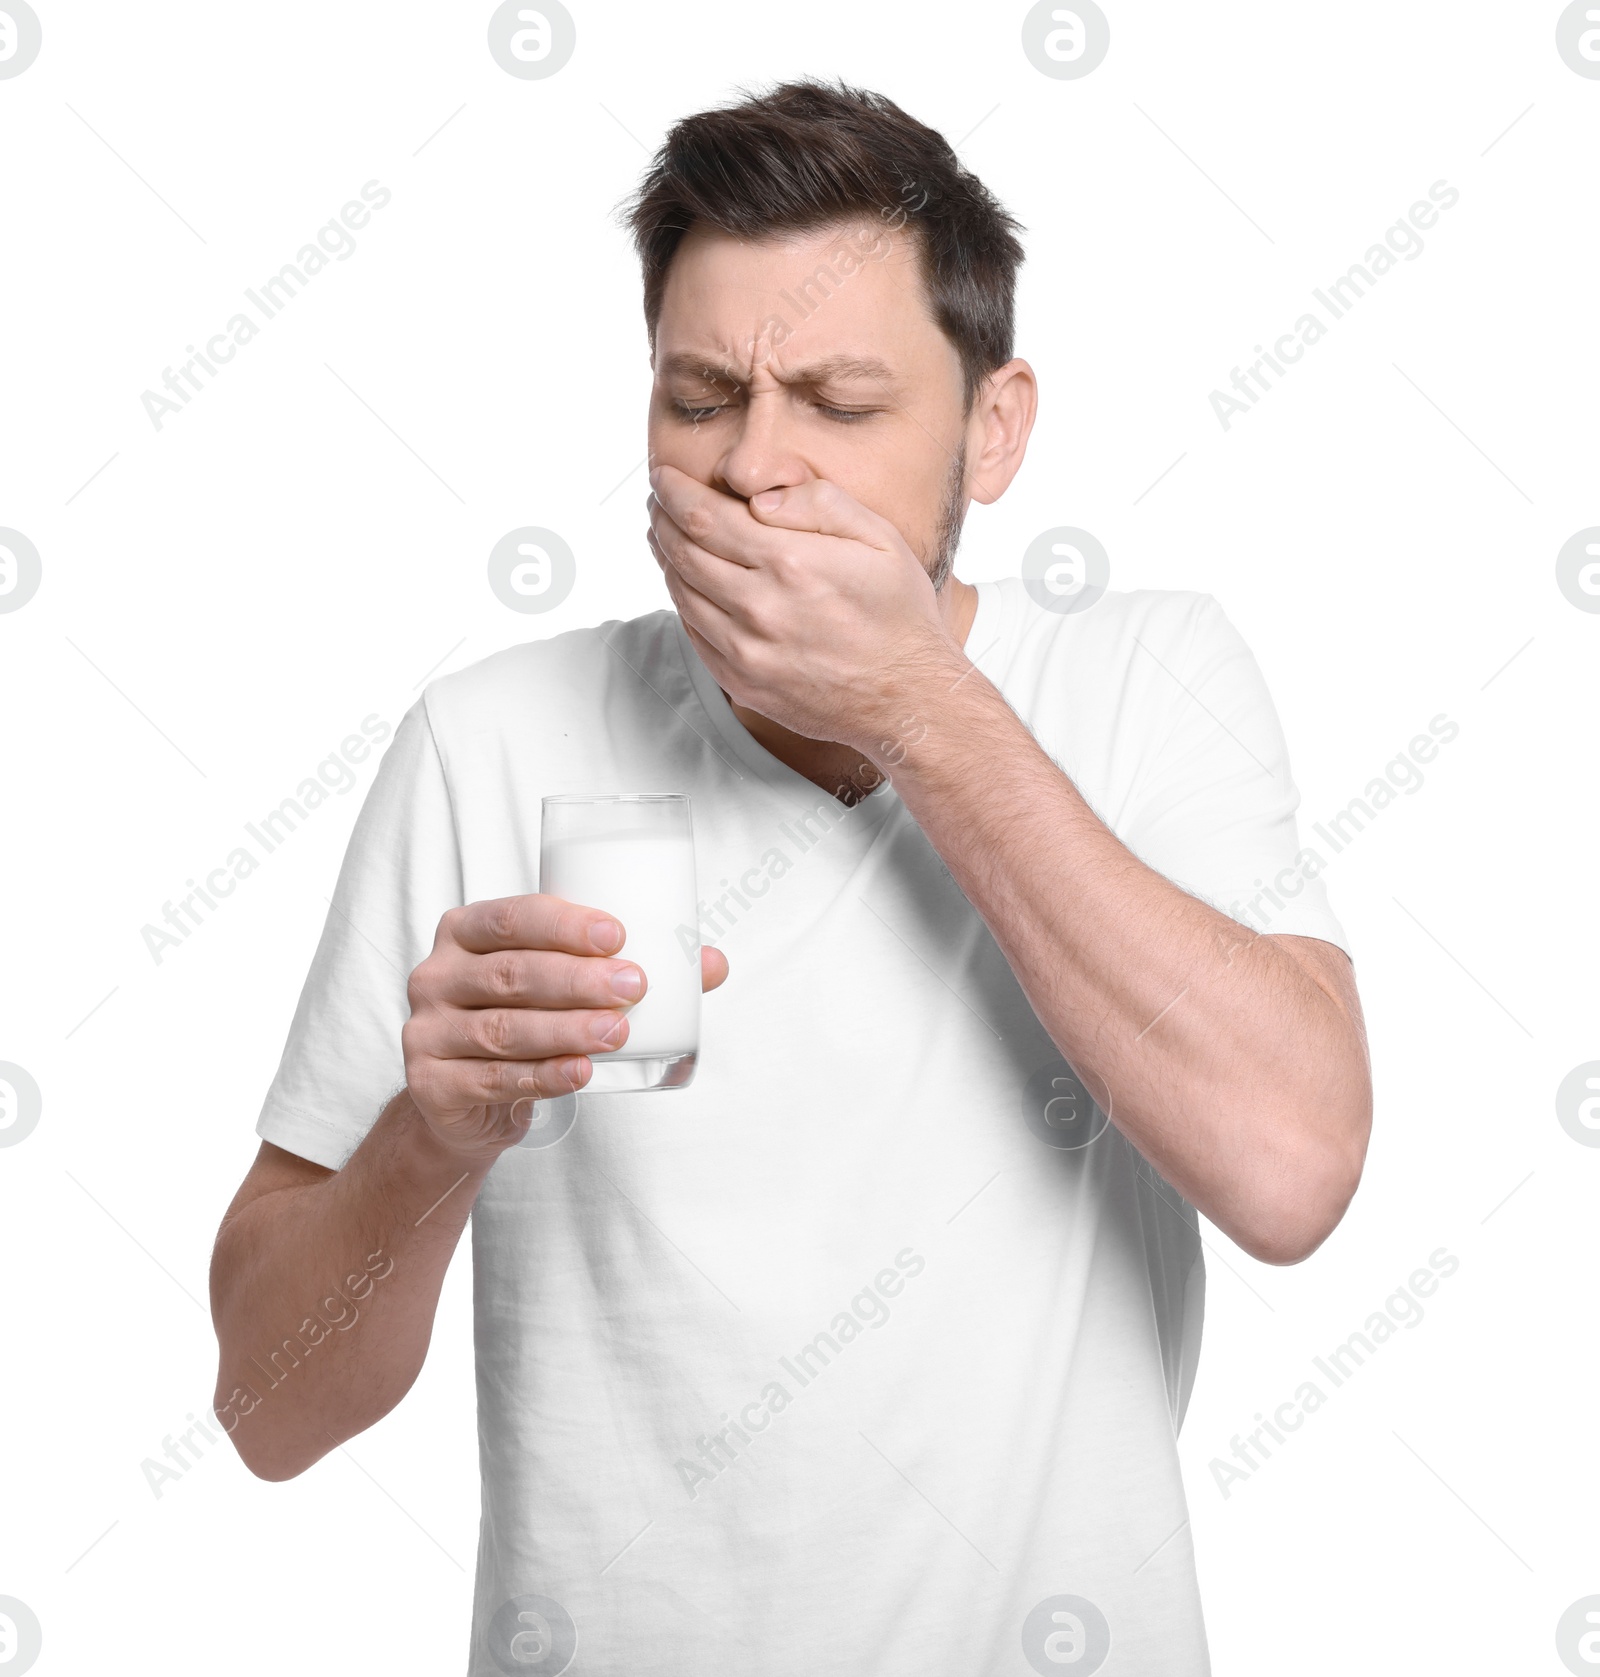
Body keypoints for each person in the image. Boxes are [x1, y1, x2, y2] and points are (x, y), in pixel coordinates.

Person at [210, 78, 1371, 1675]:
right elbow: (267, 1408)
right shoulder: (493, 739)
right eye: (700, 397)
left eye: (837, 402)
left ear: (994, 426)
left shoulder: (1145, 678)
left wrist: (910, 705)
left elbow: (1294, 1168)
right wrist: (434, 1141)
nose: (754, 466)